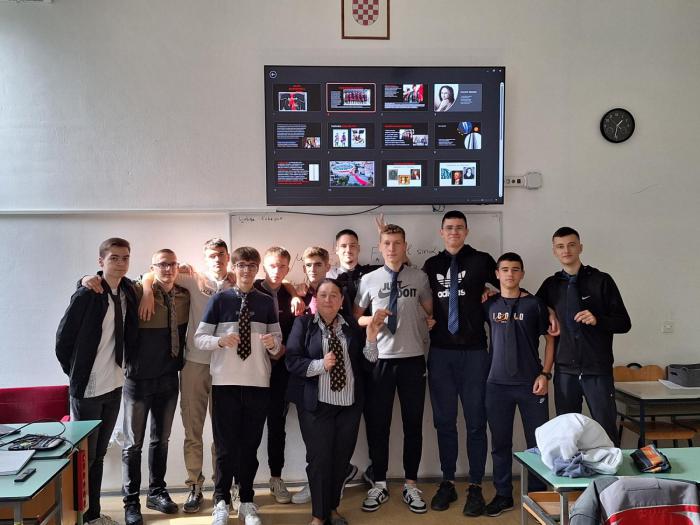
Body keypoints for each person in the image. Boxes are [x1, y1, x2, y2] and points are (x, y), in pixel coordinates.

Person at [195, 247, 282, 525]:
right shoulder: (219, 300)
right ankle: (221, 501)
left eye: (251, 266)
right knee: (225, 448)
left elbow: (277, 343)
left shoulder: (266, 302)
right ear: (234, 267)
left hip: (257, 383)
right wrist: (219, 341)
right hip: (225, 383)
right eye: (241, 265)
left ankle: (246, 501)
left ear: (257, 269)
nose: (246, 270)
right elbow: (199, 338)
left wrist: (273, 343)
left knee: (249, 447)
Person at [421, 210, 499, 516]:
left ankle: (476, 485)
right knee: (444, 421)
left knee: (476, 421)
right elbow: (418, 298)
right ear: (441, 232)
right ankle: (448, 481)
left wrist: (492, 292)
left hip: (475, 352)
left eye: (459, 227)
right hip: (440, 352)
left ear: (466, 231)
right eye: (449, 228)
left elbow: (507, 285)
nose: (454, 232)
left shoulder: (481, 260)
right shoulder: (431, 265)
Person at [55, 238, 138, 525]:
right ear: (101, 261)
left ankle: (93, 515)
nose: (121, 263)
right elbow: (63, 340)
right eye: (114, 258)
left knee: (99, 455)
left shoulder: (128, 291)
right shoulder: (87, 294)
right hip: (88, 387)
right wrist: (77, 372)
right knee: (84, 458)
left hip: (115, 384)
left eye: (125, 258)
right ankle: (80, 517)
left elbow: (152, 278)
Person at [354, 224, 434, 514]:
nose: (392, 248)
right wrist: (372, 320)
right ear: (380, 246)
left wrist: (429, 320)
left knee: (413, 424)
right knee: (378, 425)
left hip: (413, 359)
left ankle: (411, 484)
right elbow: (356, 318)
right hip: (380, 361)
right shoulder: (368, 279)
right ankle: (379, 483)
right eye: (387, 243)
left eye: (397, 243)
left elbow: (429, 311)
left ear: (405, 246)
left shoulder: (419, 277)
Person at [286, 278, 372, 525]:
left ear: (341, 301)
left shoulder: (351, 326)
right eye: (323, 295)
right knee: (319, 460)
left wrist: (372, 339)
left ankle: (332, 509)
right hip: (316, 405)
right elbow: (292, 360)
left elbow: (366, 363)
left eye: (334, 295)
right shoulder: (303, 324)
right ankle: (318, 515)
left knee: (340, 460)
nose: (328, 299)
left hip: (348, 405)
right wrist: (320, 365)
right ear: (316, 299)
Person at [537, 227, 631, 445]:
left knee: (606, 429)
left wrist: (598, 319)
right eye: (560, 246)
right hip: (565, 371)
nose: (566, 250)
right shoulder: (551, 285)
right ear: (554, 251)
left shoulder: (601, 280)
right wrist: (549, 311)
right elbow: (534, 307)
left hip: (597, 369)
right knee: (567, 434)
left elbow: (624, 323)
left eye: (571, 245)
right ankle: (572, 468)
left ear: (580, 247)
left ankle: (611, 468)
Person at [121, 249, 190, 525]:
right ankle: (131, 502)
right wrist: (148, 286)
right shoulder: (139, 291)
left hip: (169, 377)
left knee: (161, 440)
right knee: (133, 445)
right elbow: (121, 282)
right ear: (152, 267)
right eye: (161, 265)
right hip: (138, 379)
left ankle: (157, 492)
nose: (168, 269)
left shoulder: (184, 295)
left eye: (172, 264)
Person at [483, 252, 554, 517]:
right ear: (497, 274)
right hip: (496, 385)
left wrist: (545, 374)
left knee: (537, 444)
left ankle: (537, 495)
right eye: (505, 270)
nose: (510, 274)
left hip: (531, 384)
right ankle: (503, 495)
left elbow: (551, 339)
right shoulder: (489, 305)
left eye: (515, 269)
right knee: (500, 443)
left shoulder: (535, 305)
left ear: (522, 274)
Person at [254, 247, 297, 504]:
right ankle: (242, 483)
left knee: (276, 426)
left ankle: (276, 478)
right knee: (249, 427)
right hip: (253, 370)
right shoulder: (252, 290)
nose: (277, 270)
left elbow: (296, 331)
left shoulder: (291, 295)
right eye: (272, 265)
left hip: (281, 370)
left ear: (288, 269)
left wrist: (284, 350)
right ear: (263, 266)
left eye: (282, 266)